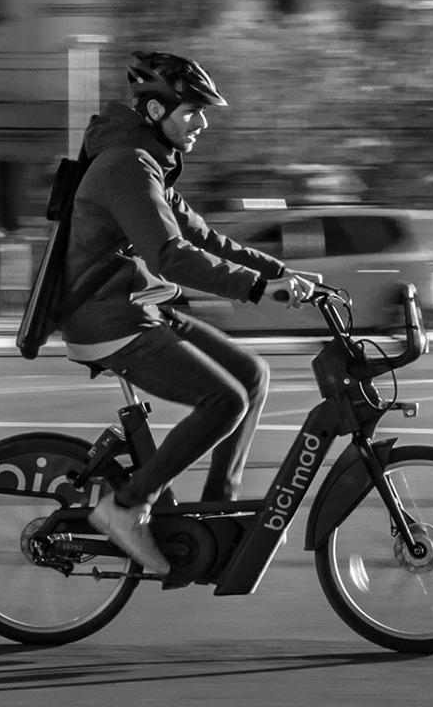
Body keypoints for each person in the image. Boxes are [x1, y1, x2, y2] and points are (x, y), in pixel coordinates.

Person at [59, 51, 316, 574]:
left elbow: (202, 236)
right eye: (193, 110)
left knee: (253, 374)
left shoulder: (146, 160)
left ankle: (219, 511)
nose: (203, 122)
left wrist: (281, 274)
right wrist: (254, 289)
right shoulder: (126, 166)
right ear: (156, 111)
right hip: (108, 318)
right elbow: (170, 255)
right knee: (223, 399)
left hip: (139, 308)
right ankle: (127, 507)